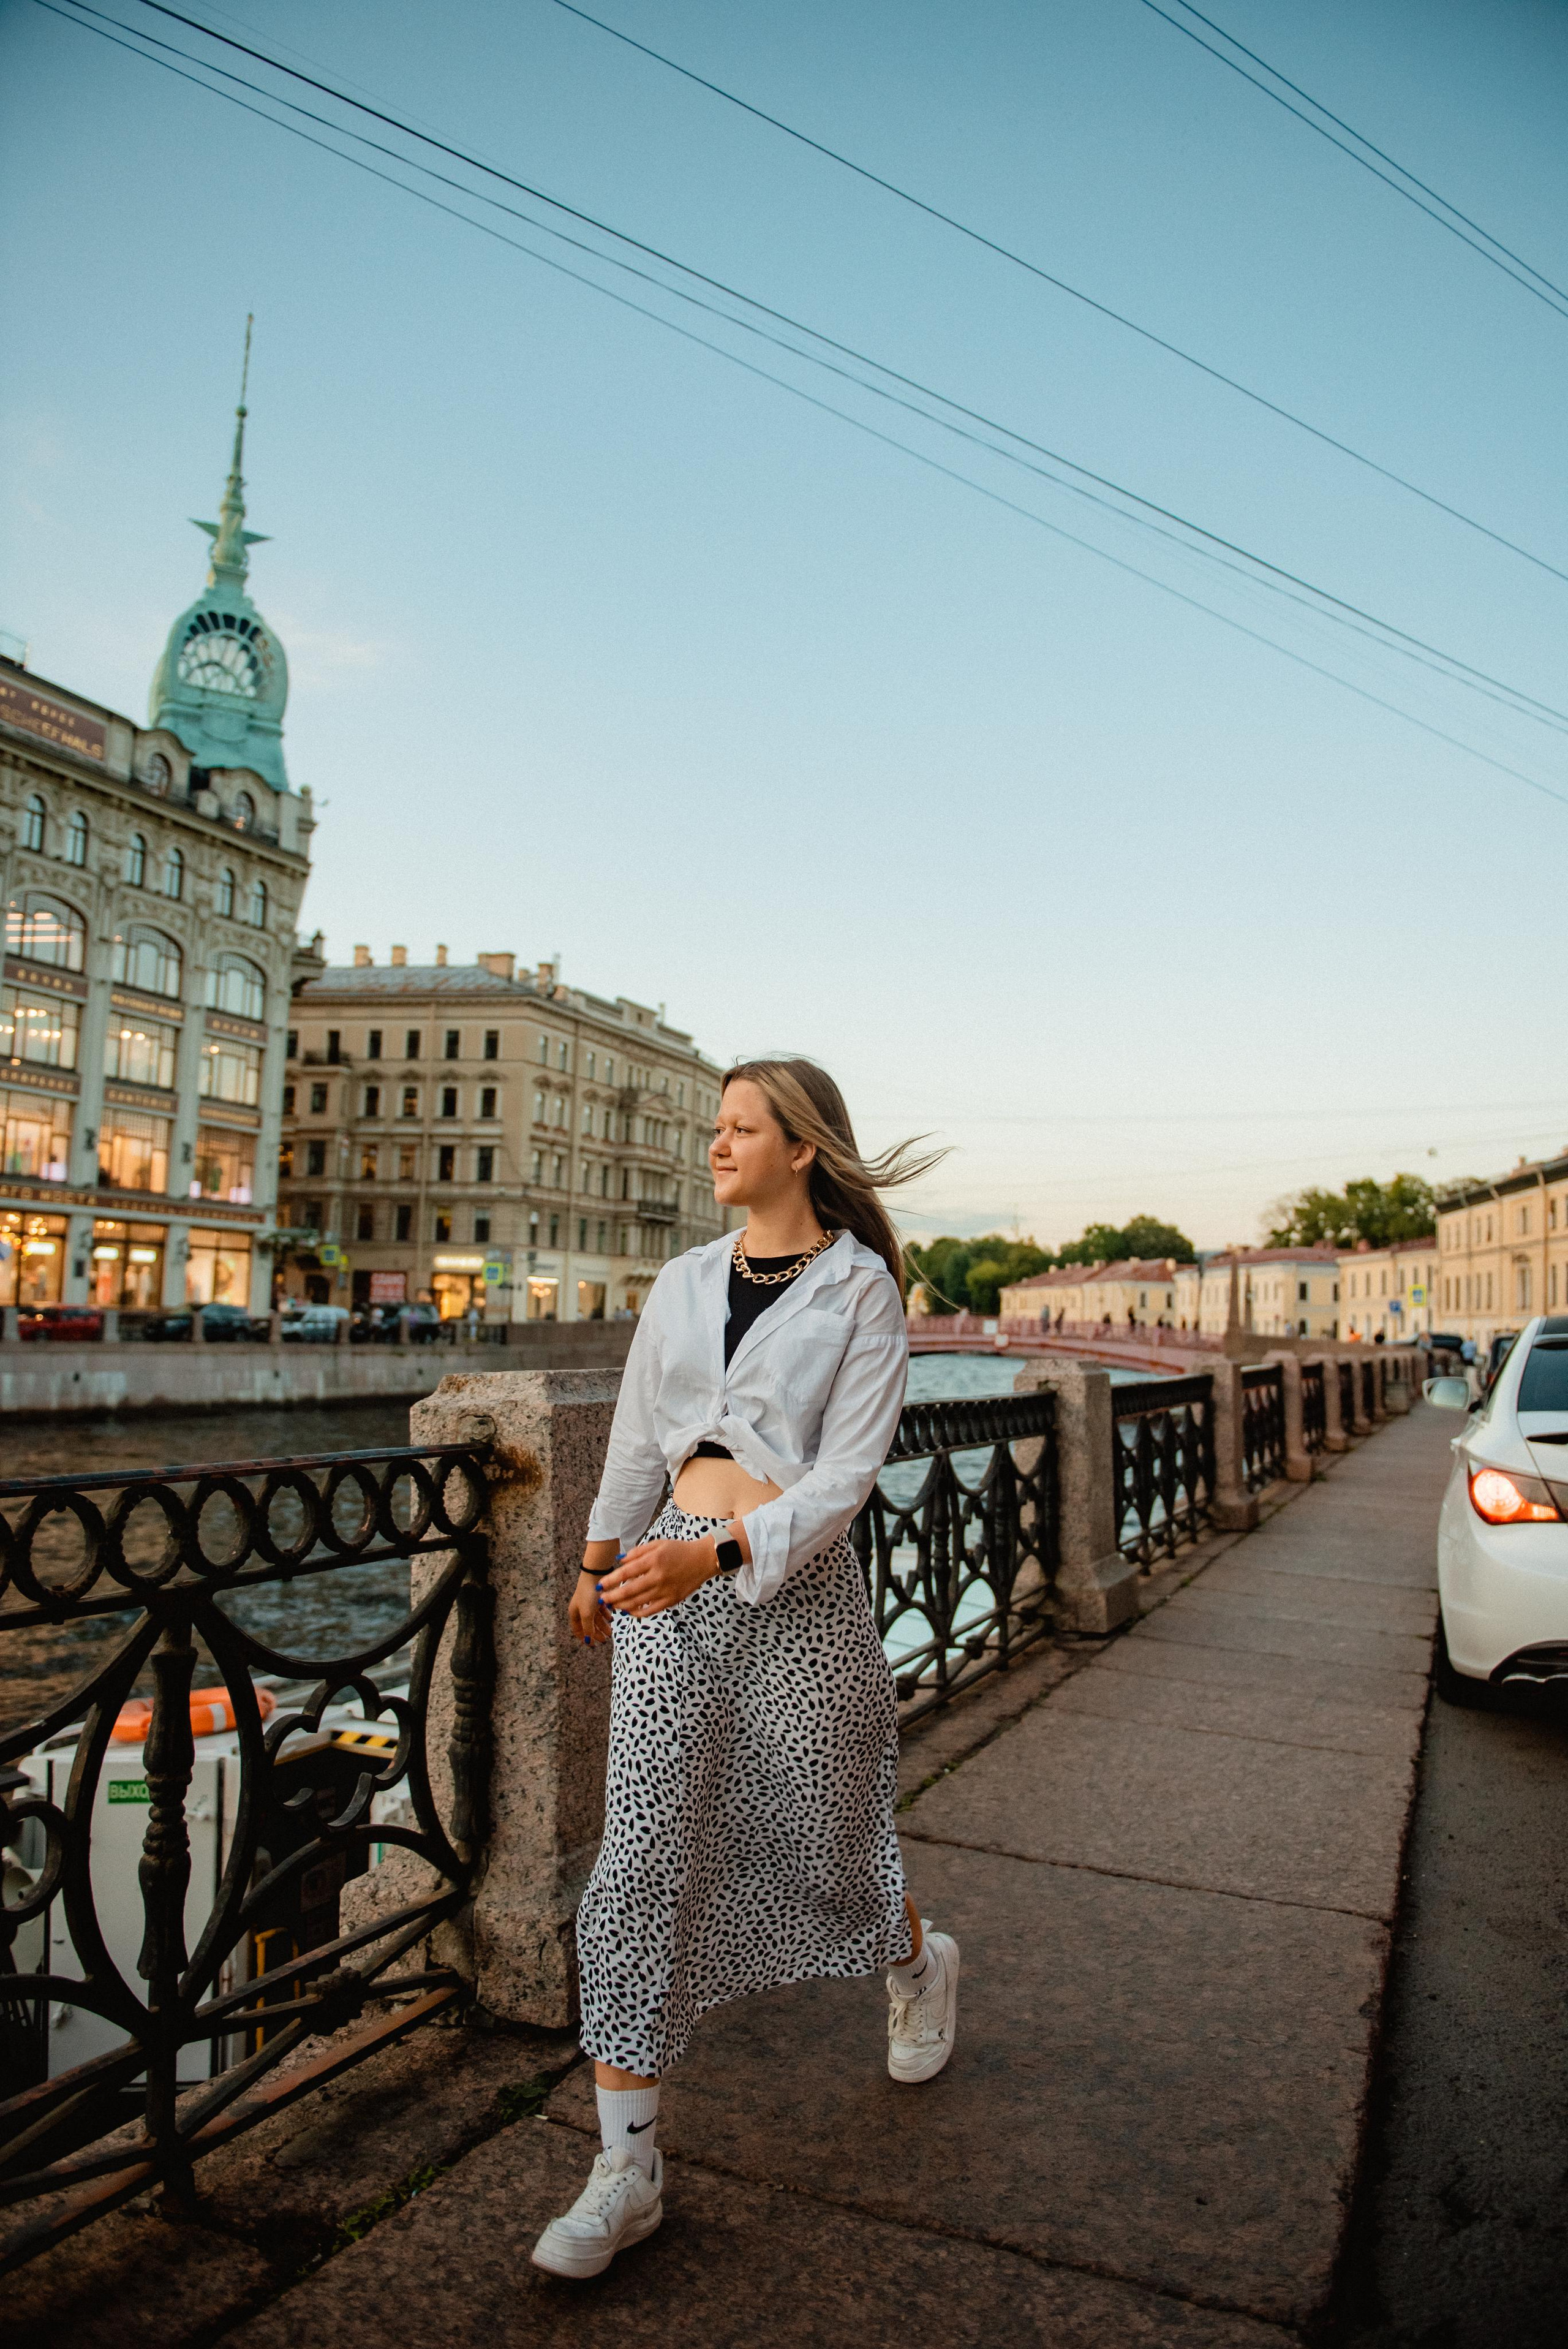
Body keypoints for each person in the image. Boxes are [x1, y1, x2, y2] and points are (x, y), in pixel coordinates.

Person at [531, 1059, 951, 2282]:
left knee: (829, 1838)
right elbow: (635, 1433)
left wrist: (711, 1555)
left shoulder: (861, 1290)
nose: (715, 1145)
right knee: (640, 1858)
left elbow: (845, 1481)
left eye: (739, 1128)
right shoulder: (681, 1281)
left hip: (793, 1593)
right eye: (714, 1127)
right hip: (664, 1585)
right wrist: (600, 1557)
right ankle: (627, 2171)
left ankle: (919, 1967)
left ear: (801, 1147)